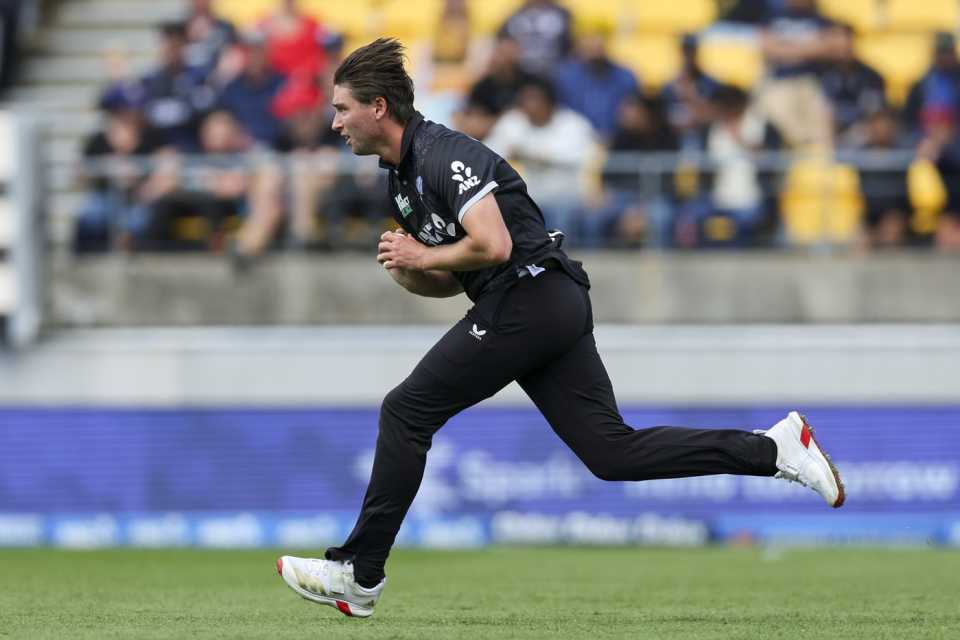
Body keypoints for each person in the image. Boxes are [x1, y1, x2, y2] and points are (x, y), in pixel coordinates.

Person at [275, 38, 846, 618]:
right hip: (542, 302)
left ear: (377, 107)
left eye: (342, 108)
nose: (334, 121)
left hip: (529, 296)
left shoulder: (444, 154)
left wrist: (424, 257)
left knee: (406, 410)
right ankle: (774, 448)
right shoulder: (399, 179)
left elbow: (493, 245)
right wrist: (413, 271)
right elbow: (454, 276)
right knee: (612, 453)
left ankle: (360, 573)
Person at [553, 23, 639, 141]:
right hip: (574, 143)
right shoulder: (564, 77)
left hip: (617, 143)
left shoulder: (625, 76)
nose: (595, 43)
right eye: (589, 38)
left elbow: (631, 116)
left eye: (600, 37)